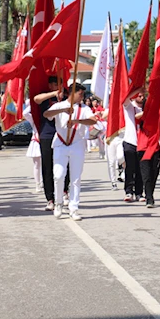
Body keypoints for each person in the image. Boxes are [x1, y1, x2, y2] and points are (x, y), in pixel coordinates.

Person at [44, 82, 96, 221]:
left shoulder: (84, 108)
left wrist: (77, 121)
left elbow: (93, 120)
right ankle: (58, 203)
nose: (82, 96)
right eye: (80, 94)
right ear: (72, 93)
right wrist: (63, 110)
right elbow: (47, 114)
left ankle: (74, 208)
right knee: (58, 175)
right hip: (60, 143)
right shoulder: (60, 105)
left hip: (77, 144)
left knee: (75, 178)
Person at [34, 77, 71, 211]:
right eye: (55, 84)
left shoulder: (65, 97)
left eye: (60, 84)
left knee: (65, 164)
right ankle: (50, 198)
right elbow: (36, 99)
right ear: (50, 85)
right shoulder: (46, 97)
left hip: (63, 134)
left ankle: (64, 191)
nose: (58, 86)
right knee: (47, 166)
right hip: (47, 134)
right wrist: (53, 94)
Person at [136, 94, 160, 205]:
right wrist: (147, 112)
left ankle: (150, 193)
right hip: (143, 149)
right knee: (146, 175)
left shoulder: (158, 117)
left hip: (155, 149)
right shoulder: (141, 117)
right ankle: (149, 198)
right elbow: (136, 116)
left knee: (154, 174)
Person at [121, 89, 144, 202]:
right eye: (139, 95)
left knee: (141, 169)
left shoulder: (146, 107)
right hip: (130, 141)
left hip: (143, 142)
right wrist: (137, 89)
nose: (141, 97)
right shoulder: (130, 106)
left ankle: (139, 193)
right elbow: (124, 99)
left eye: (143, 95)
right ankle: (129, 191)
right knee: (130, 168)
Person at [23, 100, 43, 193]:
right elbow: (25, 113)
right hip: (36, 141)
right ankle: (37, 184)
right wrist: (34, 104)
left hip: (47, 140)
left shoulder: (47, 116)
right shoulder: (33, 118)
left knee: (47, 164)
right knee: (36, 164)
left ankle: (45, 182)